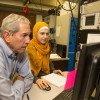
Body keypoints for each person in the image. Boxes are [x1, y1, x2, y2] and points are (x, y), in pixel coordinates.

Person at [0, 13, 33, 100]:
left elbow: (29, 78)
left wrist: (13, 90)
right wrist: (19, 81)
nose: (28, 41)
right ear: (7, 36)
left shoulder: (20, 49)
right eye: (24, 35)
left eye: (29, 35)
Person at [27, 22, 64, 90]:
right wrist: (36, 79)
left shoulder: (47, 46)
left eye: (47, 34)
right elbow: (24, 69)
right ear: (36, 33)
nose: (45, 37)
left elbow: (48, 61)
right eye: (42, 33)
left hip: (45, 77)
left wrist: (53, 70)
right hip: (31, 79)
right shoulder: (29, 47)